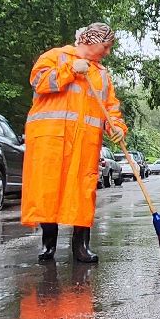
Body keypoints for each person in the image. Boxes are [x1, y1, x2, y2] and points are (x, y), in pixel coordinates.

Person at [21, 23, 127, 263]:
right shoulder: (55, 57)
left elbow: (110, 108)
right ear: (91, 41)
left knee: (82, 192)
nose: (107, 52)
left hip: (84, 144)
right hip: (51, 141)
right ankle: (48, 244)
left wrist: (117, 128)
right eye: (106, 46)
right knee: (49, 191)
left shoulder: (101, 74)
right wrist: (70, 69)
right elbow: (38, 82)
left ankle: (81, 247)